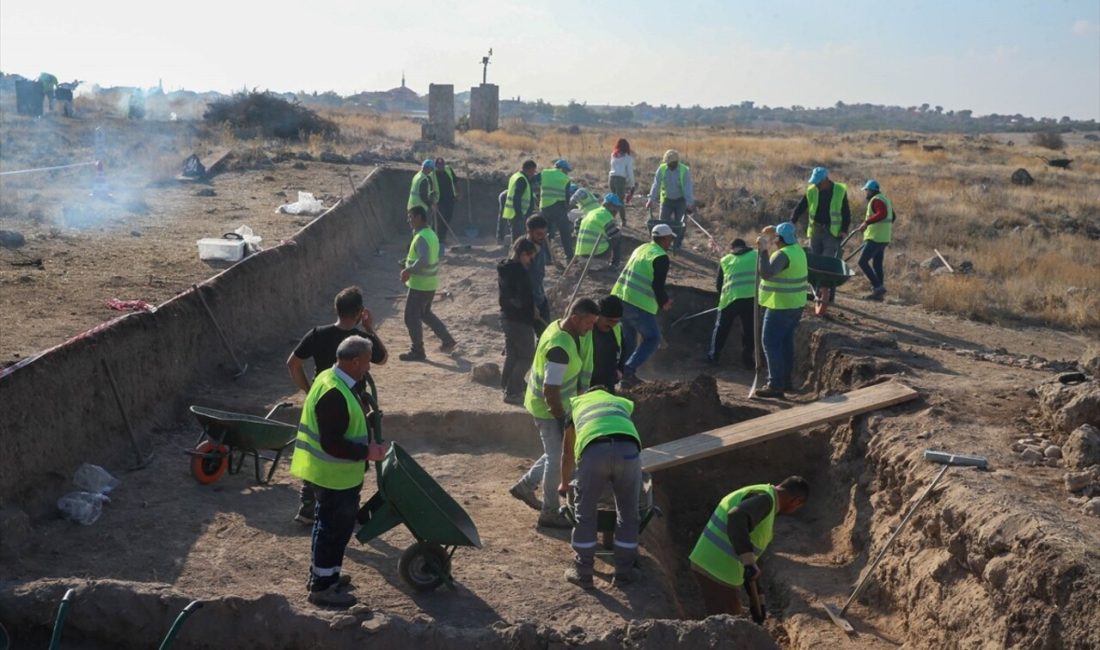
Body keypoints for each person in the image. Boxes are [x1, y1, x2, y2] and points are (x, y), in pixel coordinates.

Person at [287, 286, 388, 524]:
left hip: (322, 401)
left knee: (319, 451)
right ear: (360, 312)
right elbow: (382, 358)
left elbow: (293, 364)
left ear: (336, 309)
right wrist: (369, 328)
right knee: (348, 452)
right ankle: (345, 503)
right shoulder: (360, 343)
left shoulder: (317, 334)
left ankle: (308, 506)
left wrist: (310, 391)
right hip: (353, 406)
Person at [289, 336, 377, 608]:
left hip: (332, 475)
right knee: (332, 529)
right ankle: (323, 588)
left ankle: (325, 575)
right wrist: (367, 452)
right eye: (366, 361)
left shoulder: (331, 377)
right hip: (334, 477)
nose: (369, 367)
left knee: (327, 526)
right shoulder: (334, 393)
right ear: (354, 361)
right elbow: (332, 443)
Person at [510, 298, 599, 528]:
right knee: (558, 457)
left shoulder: (559, 327)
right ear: (575, 318)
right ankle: (549, 513)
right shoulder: (560, 348)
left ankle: (525, 486)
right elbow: (551, 390)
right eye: (588, 323)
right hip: (548, 409)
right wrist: (560, 418)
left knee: (554, 452)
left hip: (551, 405)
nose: (590, 329)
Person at [559, 386, 643, 589]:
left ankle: (583, 572)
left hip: (594, 452)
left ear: (586, 394)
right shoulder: (619, 404)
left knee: (585, 512)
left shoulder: (578, 406)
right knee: (628, 513)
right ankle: (624, 572)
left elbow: (567, 454)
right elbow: (625, 431)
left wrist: (564, 482)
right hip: (629, 452)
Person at [689, 476, 809, 616]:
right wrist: (749, 562)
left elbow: (747, 545)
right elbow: (736, 516)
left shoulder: (763, 495)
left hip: (715, 565)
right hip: (717, 569)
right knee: (728, 623)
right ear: (795, 501)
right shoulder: (766, 500)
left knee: (728, 618)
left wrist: (756, 592)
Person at [612, 224, 674, 387]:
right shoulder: (660, 257)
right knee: (653, 338)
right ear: (665, 239)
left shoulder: (642, 249)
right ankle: (629, 370)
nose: (671, 243)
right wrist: (664, 302)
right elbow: (657, 285)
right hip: (639, 304)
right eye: (670, 239)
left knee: (629, 340)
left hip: (621, 298)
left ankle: (619, 374)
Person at [754, 223, 807, 399]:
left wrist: (762, 251)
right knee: (785, 343)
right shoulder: (797, 251)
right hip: (795, 305)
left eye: (776, 236)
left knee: (769, 342)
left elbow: (767, 273)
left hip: (781, 306)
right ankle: (785, 381)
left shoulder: (783, 255)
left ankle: (775, 385)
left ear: (779, 239)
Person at [399, 206, 456, 361]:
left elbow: (423, 261)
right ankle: (447, 339)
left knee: (411, 317)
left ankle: (417, 351)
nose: (409, 221)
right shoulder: (430, 234)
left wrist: (408, 270)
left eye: (411, 217)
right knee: (425, 314)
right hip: (429, 284)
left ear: (418, 218)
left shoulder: (422, 237)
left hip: (420, 285)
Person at [498, 238, 539, 405]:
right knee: (528, 356)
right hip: (519, 319)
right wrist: (531, 310)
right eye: (531, 257)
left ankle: (506, 385)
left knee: (512, 354)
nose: (532, 261)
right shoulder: (519, 272)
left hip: (507, 317)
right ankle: (513, 391)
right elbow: (522, 297)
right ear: (523, 254)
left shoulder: (505, 268)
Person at [707, 239, 758, 368]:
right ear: (745, 246)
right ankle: (748, 361)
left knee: (721, 329)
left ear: (732, 248)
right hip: (751, 298)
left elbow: (719, 285)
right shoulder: (756, 255)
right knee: (749, 330)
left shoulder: (725, 260)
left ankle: (713, 357)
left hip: (729, 299)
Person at [790, 166, 850, 258]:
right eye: (815, 183)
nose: (816, 185)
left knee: (827, 258)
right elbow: (801, 206)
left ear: (825, 180)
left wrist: (844, 229)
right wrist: (792, 221)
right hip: (816, 229)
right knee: (814, 256)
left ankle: (825, 272)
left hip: (832, 231)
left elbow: (845, 211)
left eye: (818, 183)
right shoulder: (811, 190)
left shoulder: (839, 190)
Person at [855, 179, 896, 301]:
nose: (865, 193)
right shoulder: (884, 199)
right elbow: (893, 216)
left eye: (866, 190)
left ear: (870, 190)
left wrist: (867, 222)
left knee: (862, 262)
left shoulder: (876, 200)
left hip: (875, 237)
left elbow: (882, 214)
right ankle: (879, 293)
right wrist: (885, 228)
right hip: (883, 237)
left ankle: (877, 287)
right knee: (877, 264)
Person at [646, 150, 694, 249]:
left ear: (676, 162)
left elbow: (687, 187)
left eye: (671, 163)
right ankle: (661, 244)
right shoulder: (662, 169)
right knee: (662, 223)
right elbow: (656, 184)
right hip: (667, 200)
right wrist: (651, 199)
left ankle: (677, 243)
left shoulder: (684, 170)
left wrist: (689, 203)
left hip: (680, 201)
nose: (669, 165)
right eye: (668, 163)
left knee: (680, 225)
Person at [574, 193, 623, 270]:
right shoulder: (606, 216)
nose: (616, 211)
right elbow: (615, 234)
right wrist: (618, 229)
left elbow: (577, 223)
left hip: (581, 253)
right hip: (596, 253)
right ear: (610, 206)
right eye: (616, 208)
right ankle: (615, 264)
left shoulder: (592, 212)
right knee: (618, 237)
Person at [539, 159, 576, 260]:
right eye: (566, 170)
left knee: (547, 233)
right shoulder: (565, 179)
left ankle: (546, 258)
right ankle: (569, 256)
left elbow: (536, 182)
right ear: (561, 168)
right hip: (558, 207)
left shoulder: (544, 173)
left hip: (544, 207)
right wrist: (566, 208)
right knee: (565, 232)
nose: (566, 173)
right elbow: (567, 196)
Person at [524, 215, 552, 335]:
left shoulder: (541, 243)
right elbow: (523, 280)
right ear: (529, 232)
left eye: (545, 233)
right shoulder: (525, 251)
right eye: (539, 234)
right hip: (528, 300)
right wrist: (532, 305)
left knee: (545, 335)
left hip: (540, 296)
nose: (543, 237)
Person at [590, 295, 624, 392]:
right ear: (598, 315)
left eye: (616, 321)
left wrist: (620, 369)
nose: (612, 325)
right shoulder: (586, 330)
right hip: (588, 386)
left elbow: (622, 349)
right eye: (609, 320)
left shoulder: (617, 328)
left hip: (608, 385)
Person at [500, 160, 538, 244]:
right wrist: (519, 214)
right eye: (533, 171)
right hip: (518, 215)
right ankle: (515, 256)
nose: (533, 174)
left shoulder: (517, 176)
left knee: (518, 240)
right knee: (518, 240)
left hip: (515, 214)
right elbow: (516, 198)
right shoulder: (522, 180)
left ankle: (516, 255)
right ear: (529, 170)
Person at [608, 138, 636, 226]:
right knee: (620, 201)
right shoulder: (628, 158)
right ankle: (623, 221)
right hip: (620, 180)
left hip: (611, 179)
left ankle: (610, 218)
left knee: (613, 200)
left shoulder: (613, 155)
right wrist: (632, 185)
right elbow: (630, 173)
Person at [434, 157, 458, 251]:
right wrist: (433, 202)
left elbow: (455, 181)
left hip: (450, 200)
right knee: (437, 222)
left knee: (447, 219)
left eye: (442, 165)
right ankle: (435, 240)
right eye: (439, 165)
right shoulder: (432, 174)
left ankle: (442, 239)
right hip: (439, 201)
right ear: (435, 165)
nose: (441, 167)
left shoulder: (448, 170)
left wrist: (459, 192)